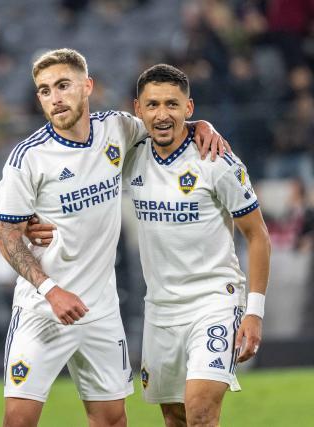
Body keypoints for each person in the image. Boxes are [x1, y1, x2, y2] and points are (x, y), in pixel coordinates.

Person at [28, 64, 271, 427]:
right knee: (174, 418)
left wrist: (254, 311)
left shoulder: (216, 161)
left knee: (201, 412)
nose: (162, 114)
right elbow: (78, 178)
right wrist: (31, 219)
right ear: (137, 110)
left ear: (189, 109)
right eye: (153, 104)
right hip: (160, 309)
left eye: (172, 104)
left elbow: (258, 236)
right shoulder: (129, 154)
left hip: (214, 301)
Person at [0, 48, 225, 427]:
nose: (55, 97)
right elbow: (7, 238)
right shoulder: (28, 159)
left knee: (112, 420)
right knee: (18, 421)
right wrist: (51, 290)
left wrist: (202, 125)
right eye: (44, 90)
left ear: (87, 87)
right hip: (43, 309)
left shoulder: (118, 128)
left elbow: (164, 123)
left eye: (64, 85)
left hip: (100, 309)